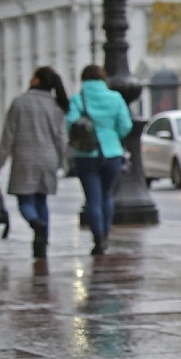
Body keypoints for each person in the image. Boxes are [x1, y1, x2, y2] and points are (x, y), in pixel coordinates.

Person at [0, 66, 70, 259]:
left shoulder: (19, 103)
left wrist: (0, 161)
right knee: (41, 199)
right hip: (48, 159)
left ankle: (36, 224)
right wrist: (63, 161)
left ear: (36, 81)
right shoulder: (56, 106)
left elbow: (8, 135)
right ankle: (42, 241)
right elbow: (61, 138)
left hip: (25, 158)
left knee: (25, 201)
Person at [65, 65, 132, 257]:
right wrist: (112, 137)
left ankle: (98, 238)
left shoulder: (79, 99)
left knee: (92, 199)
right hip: (112, 154)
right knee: (106, 195)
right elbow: (125, 125)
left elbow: (70, 124)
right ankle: (106, 234)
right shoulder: (115, 98)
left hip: (86, 155)